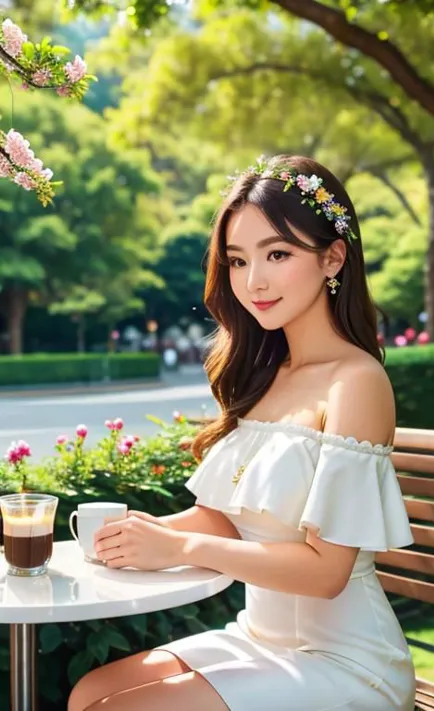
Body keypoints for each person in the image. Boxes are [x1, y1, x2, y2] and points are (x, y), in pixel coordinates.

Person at [68, 154, 416, 711]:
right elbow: (234, 518)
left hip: (347, 664)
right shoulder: (268, 375)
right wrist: (140, 534)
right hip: (259, 640)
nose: (253, 281)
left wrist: (181, 545)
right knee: (89, 693)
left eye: (277, 253)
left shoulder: (357, 381)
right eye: (236, 260)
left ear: (333, 257)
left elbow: (327, 572)